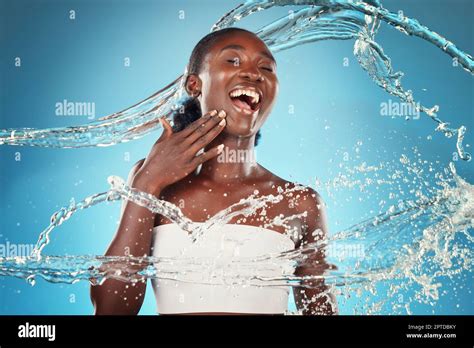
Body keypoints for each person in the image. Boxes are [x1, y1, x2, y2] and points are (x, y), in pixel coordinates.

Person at [90, 27, 337, 315]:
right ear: (194, 85)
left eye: (266, 67)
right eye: (233, 60)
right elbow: (110, 310)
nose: (253, 74)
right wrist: (147, 183)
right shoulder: (151, 181)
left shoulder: (299, 202)